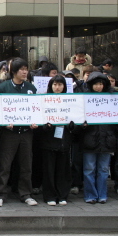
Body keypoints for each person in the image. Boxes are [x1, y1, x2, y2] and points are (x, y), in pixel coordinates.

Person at [0, 58, 39, 207]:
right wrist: (4, 122)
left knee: (26, 165)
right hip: (9, 133)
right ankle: (0, 193)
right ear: (14, 71)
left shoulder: (31, 88)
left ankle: (25, 193)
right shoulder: (3, 88)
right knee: (4, 164)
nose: (25, 72)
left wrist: (35, 120)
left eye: (26, 69)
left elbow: (36, 108)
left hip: (26, 132)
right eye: (22, 69)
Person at [75, 72, 117, 204]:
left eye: (101, 84)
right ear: (91, 85)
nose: (99, 87)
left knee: (104, 169)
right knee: (89, 169)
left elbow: (117, 121)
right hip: (90, 140)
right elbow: (78, 123)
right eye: (96, 84)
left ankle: (102, 194)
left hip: (106, 140)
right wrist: (83, 125)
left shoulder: (112, 100)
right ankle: (90, 195)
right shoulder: (84, 100)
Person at [40, 75, 73, 206]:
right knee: (48, 170)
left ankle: (62, 195)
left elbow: (75, 120)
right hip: (48, 142)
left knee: (63, 170)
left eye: (60, 85)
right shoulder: (44, 100)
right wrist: (45, 127)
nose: (57, 87)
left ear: (64, 86)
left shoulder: (70, 101)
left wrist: (72, 126)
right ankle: (49, 196)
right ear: (50, 86)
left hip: (64, 142)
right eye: (55, 85)